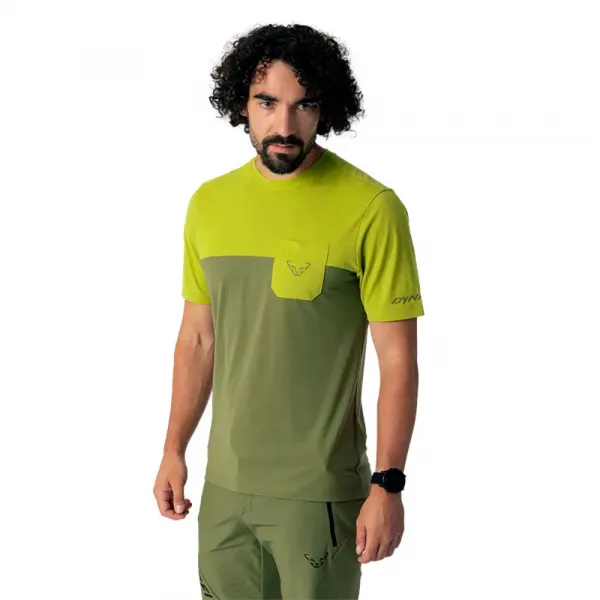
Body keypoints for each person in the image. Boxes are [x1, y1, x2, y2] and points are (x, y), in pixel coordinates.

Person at [153, 23, 425, 600]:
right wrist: (173, 449)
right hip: (225, 489)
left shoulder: (372, 208)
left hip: (319, 494)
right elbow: (198, 340)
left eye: (304, 105)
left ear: (326, 109)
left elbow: (398, 362)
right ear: (241, 105)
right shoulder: (209, 204)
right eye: (267, 102)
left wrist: (389, 484)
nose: (284, 125)